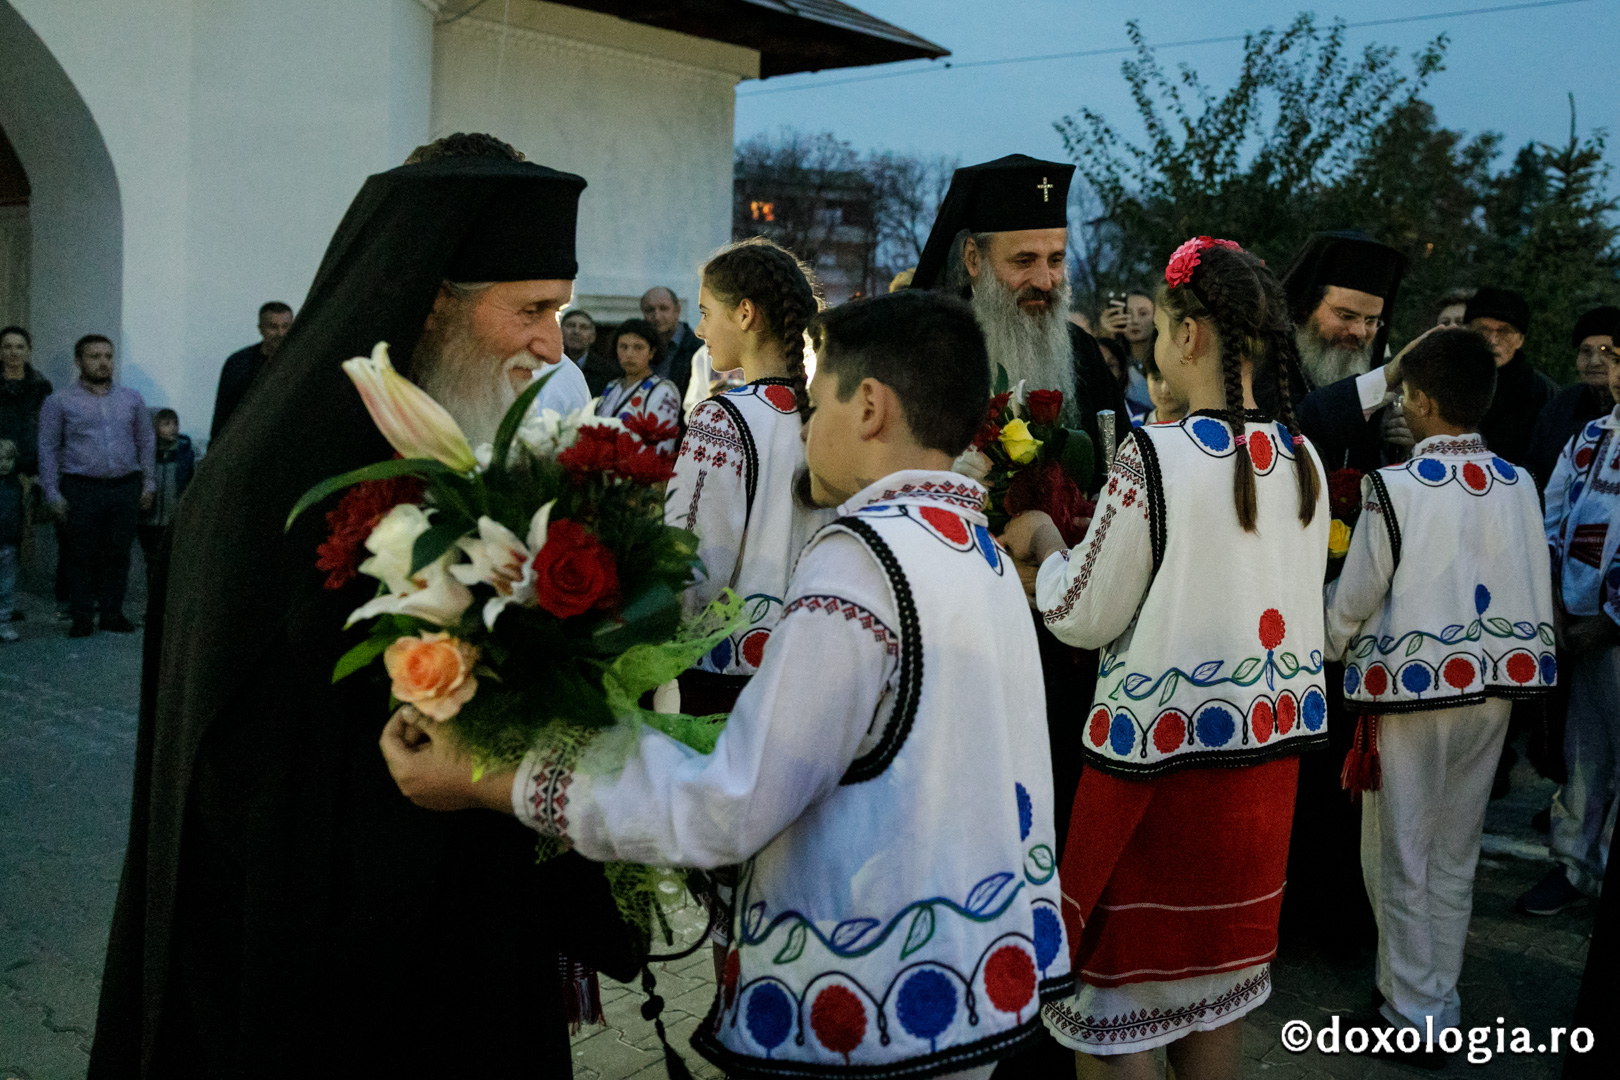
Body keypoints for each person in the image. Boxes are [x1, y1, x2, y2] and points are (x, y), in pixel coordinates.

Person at [382, 288, 1072, 1079]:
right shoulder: (976, 550)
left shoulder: (862, 563)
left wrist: (498, 778)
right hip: (971, 988)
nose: (805, 429)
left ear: (869, 407)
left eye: (817, 404)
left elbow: (731, 801)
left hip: (869, 1012)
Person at [88, 138, 634, 1080]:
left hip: (450, 938)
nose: (555, 342)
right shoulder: (282, 484)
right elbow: (262, 767)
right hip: (319, 965)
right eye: (533, 310)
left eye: (561, 310)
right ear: (431, 305)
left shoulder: (458, 456)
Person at [1005, 238, 1328, 1076]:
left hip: (1157, 779)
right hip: (1264, 773)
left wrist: (1042, 543)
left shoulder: (1156, 454)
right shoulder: (1304, 458)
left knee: (1110, 1015)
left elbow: (1084, 614)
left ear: (1189, 335)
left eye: (1161, 331)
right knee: (1215, 997)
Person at [1323, 328, 1553, 1063]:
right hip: (1495, 690)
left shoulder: (1396, 487)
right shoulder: (1519, 482)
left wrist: (1322, 638)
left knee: (1399, 853)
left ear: (1420, 401)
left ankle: (1411, 1013)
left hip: (1410, 693)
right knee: (1455, 851)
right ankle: (1437, 1000)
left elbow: (1354, 597)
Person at [911, 154, 1128, 866]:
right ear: (974, 260)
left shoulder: (1082, 356)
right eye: (1024, 261)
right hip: (960, 639)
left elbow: (1121, 484)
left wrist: (1070, 553)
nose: (1046, 281)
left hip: (1063, 646)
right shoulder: (931, 356)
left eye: (1056, 260)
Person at [1516, 337, 1620, 920]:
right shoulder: (1589, 438)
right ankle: (1574, 865)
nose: (1616, 372)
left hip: (1610, 628)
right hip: (1577, 622)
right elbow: (1551, 518)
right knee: (1584, 752)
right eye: (1619, 360)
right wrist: (1554, 603)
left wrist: (1610, 621)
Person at [37, 335, 155, 638]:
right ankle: (82, 617)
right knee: (80, 554)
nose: (103, 362)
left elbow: (145, 441)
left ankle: (112, 613)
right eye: (95, 356)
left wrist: (148, 482)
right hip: (81, 487)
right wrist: (52, 492)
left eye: (108, 356)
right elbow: (48, 448)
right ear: (79, 361)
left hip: (124, 486)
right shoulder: (59, 401)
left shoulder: (132, 398)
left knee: (118, 554)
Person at [1282, 230, 1413, 474]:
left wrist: (1401, 445)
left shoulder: (1371, 372)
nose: (1360, 332)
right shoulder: (1266, 359)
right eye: (1346, 315)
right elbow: (1292, 427)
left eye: (1371, 320)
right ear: (1306, 307)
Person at [1526, 306, 1620, 490]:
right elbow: (1535, 465)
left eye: (1606, 351)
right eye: (1586, 351)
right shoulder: (1561, 406)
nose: (1594, 361)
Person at [1466, 286, 1557, 468]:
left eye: (1504, 331)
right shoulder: (1447, 379)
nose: (1492, 340)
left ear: (1520, 340)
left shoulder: (1543, 393)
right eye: (1483, 330)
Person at [209, 301, 294, 443]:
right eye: (273, 327)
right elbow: (223, 412)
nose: (280, 333)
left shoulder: (301, 361)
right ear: (261, 329)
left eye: (286, 326)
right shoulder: (238, 363)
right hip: (247, 441)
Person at [594, 317, 682, 454]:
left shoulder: (663, 391)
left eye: (638, 347)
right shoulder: (612, 387)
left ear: (651, 352)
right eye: (623, 347)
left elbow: (661, 447)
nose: (629, 354)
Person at [136, 408, 195, 596]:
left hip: (173, 518)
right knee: (151, 561)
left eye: (175, 423)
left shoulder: (185, 453)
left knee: (169, 562)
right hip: (149, 518)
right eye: (166, 424)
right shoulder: (145, 453)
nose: (173, 428)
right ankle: (154, 599)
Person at [0, 325, 51, 479]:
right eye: (8, 347)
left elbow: (49, 428)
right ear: (1, 350)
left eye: (19, 347)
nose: (14, 352)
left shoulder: (41, 387)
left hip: (31, 468)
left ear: (28, 350)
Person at [640, 285, 702, 397]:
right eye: (650, 310)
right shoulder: (637, 348)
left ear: (677, 310)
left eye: (663, 308)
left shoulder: (697, 349)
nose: (657, 316)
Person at [0, 438, 20, 642]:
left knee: (6, 586)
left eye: (9, 459)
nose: (4, 463)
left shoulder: (16, 485)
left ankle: (3, 623)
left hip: (8, 543)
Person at [1138, 348, 1188, 426]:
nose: (1164, 389)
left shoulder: (1204, 426)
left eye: (1173, 379)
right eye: (1156, 379)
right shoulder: (1133, 426)